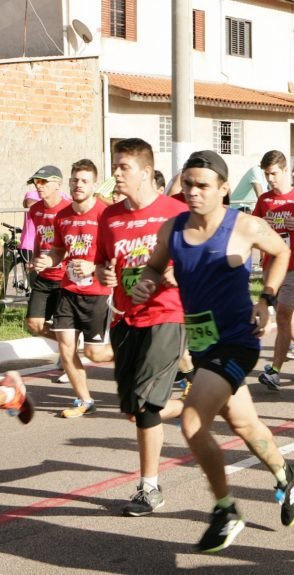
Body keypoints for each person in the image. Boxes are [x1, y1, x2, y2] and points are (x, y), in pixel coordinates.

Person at [131, 150, 294, 553]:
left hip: (237, 340)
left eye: (203, 186)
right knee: (244, 424)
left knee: (193, 423)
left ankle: (225, 510)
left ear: (224, 189)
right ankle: (287, 473)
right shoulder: (172, 230)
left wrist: (265, 298)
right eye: (188, 184)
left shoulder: (244, 225)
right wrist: (147, 282)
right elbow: (155, 267)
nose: (193, 192)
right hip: (200, 342)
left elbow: (280, 252)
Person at [96, 138, 187, 515]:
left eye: (123, 167)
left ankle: (149, 488)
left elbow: (198, 261)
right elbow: (104, 264)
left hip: (167, 316)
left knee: (147, 408)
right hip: (125, 319)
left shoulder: (176, 212)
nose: (116, 174)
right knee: (135, 411)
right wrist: (101, 272)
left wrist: (175, 271)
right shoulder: (109, 217)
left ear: (146, 172)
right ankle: (203, 401)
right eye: (115, 166)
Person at [39, 159, 115, 418]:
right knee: (65, 346)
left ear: (94, 185)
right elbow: (60, 250)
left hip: (96, 293)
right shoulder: (62, 216)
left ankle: (135, 347)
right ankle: (84, 400)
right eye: (75, 180)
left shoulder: (105, 215)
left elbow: (117, 255)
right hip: (69, 290)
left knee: (94, 352)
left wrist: (93, 267)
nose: (78, 185)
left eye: (84, 181)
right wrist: (47, 259)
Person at [254, 150, 294, 391]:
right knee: (286, 317)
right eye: (266, 174)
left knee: (283, 314)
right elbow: (254, 227)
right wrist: (263, 227)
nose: (270, 179)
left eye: (273, 173)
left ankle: (274, 371)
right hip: (271, 268)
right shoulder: (265, 200)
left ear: (283, 171)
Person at [27, 165, 71, 341]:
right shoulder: (35, 209)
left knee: (62, 326)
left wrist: (53, 259)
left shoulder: (69, 209)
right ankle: (68, 345)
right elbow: (39, 237)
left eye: (43, 181)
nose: (39, 186)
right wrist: (35, 259)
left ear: (58, 184)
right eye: (36, 182)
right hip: (44, 277)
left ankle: (68, 348)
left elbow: (73, 243)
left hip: (65, 277)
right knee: (34, 323)